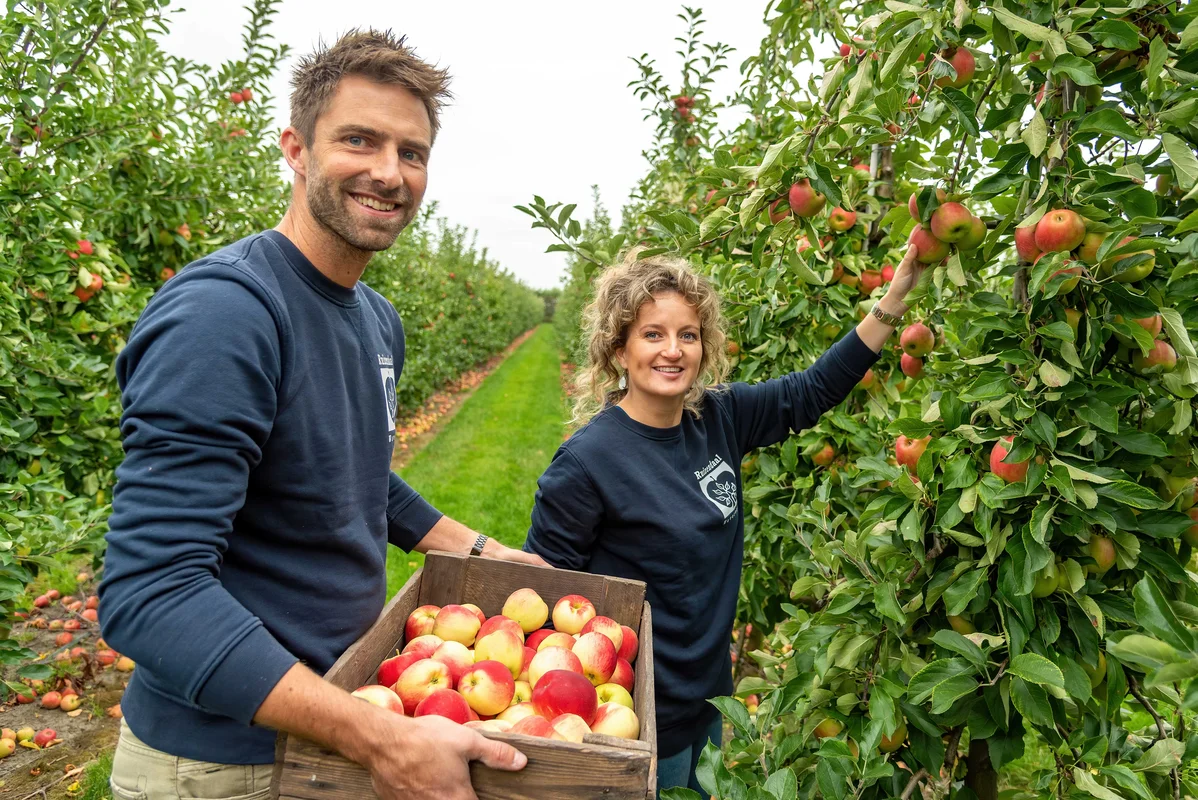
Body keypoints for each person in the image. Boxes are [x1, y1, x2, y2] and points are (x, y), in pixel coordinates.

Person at [98, 30, 545, 800]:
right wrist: (380, 738)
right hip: (221, 762)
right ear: (296, 149)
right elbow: (150, 593)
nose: (388, 172)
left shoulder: (376, 320)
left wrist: (480, 550)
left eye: (412, 152)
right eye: (358, 140)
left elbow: (356, 474)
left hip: (331, 727)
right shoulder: (227, 314)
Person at [523, 244, 924, 795]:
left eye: (688, 335)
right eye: (652, 334)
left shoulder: (719, 418)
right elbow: (545, 606)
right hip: (631, 712)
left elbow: (812, 390)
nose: (673, 351)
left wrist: (893, 299)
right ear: (618, 349)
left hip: (711, 697)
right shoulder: (588, 464)